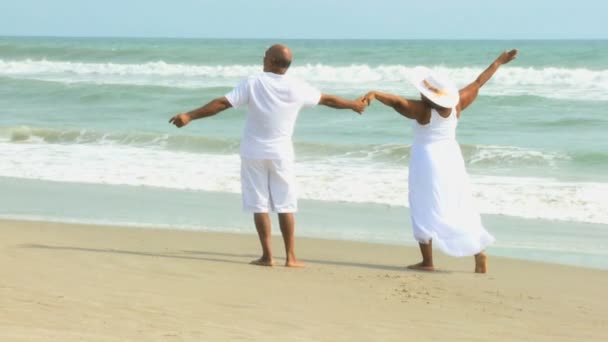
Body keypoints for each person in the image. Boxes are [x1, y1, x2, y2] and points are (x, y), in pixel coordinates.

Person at [169, 44, 366, 267]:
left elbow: (222, 104)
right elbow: (327, 100)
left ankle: (267, 256)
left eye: (265, 56)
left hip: (253, 152)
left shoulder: (254, 83)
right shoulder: (298, 87)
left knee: (259, 204)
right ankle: (290, 257)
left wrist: (189, 116)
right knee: (286, 204)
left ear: (272, 61)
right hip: (282, 154)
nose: (262, 59)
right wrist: (353, 105)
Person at [363, 49, 518, 273]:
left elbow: (397, 103)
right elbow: (478, 82)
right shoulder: (458, 105)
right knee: (458, 205)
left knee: (423, 205)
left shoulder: (423, 111)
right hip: (452, 159)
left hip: (427, 162)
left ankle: (427, 262)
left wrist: (375, 93)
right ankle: (478, 253)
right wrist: (499, 62)